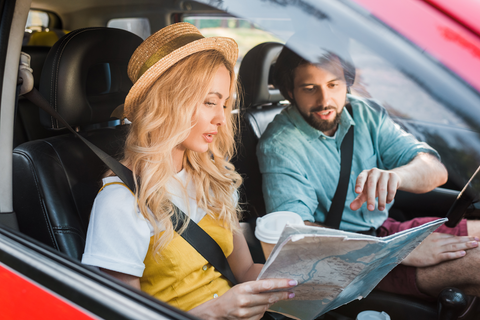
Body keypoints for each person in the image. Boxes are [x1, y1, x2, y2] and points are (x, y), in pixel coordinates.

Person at [82, 22, 297, 319]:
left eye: (224, 104)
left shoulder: (213, 179)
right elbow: (126, 314)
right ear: (169, 102)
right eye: (210, 102)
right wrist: (218, 309)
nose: (222, 119)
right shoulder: (120, 203)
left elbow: (246, 270)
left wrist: (303, 281)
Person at [257, 41, 480, 299]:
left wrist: (397, 176)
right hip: (344, 261)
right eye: (309, 88)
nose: (325, 100)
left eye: (333, 85)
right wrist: (397, 251)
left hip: (385, 232)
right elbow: (296, 237)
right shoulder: (279, 146)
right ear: (289, 91)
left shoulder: (364, 113)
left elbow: (435, 169)